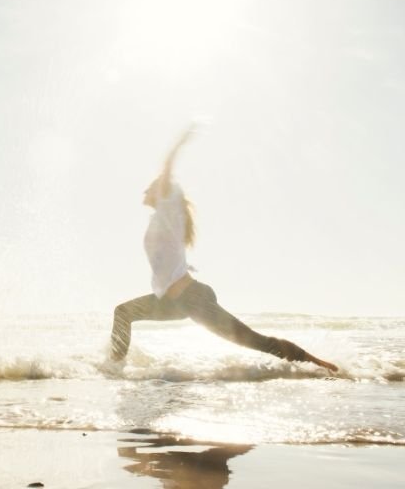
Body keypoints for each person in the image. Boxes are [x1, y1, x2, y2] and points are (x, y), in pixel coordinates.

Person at [110, 125, 338, 372]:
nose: (145, 190)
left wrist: (178, 143)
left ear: (162, 192)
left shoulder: (168, 210)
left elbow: (166, 170)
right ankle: (113, 367)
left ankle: (323, 367)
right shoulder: (160, 220)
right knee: (123, 313)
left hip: (192, 298)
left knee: (254, 341)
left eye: (151, 187)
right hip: (171, 302)